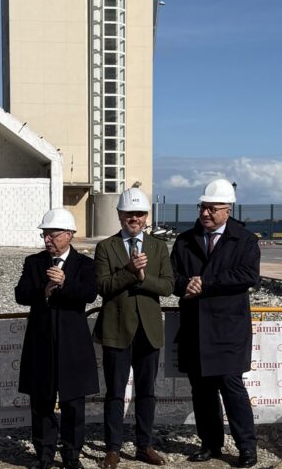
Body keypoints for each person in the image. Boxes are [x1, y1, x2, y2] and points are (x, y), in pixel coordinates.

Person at [170, 179, 261, 468]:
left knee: (232, 388)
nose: (205, 213)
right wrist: (188, 283)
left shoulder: (245, 240)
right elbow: (172, 278)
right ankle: (210, 444)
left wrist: (205, 282)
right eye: (202, 207)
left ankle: (247, 448)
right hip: (195, 328)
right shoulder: (185, 240)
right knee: (202, 391)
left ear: (227, 209)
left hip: (227, 330)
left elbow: (248, 276)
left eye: (212, 208)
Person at [93, 189, 173, 469]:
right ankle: (113, 449)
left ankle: (144, 445)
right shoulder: (106, 247)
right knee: (115, 392)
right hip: (116, 329)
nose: (134, 219)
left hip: (148, 330)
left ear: (146, 217)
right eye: (129, 214)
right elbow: (102, 287)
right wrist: (129, 271)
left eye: (139, 214)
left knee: (146, 392)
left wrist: (142, 277)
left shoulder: (158, 247)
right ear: (119, 215)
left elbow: (167, 286)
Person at [15, 208, 99, 469]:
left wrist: (64, 284)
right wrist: (45, 291)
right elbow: (20, 294)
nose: (47, 239)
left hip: (73, 345)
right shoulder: (34, 262)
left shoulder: (85, 264)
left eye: (53, 234)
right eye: (45, 234)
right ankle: (44, 454)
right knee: (41, 402)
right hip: (41, 344)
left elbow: (89, 294)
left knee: (74, 404)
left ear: (70, 235)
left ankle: (72, 455)